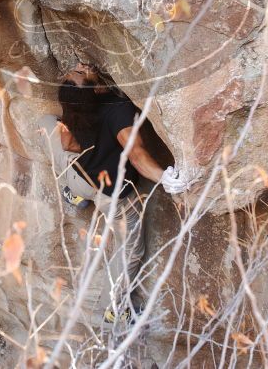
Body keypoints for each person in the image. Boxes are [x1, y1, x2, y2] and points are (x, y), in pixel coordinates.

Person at [38, 63, 188, 324]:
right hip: (115, 198)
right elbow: (138, 156)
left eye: (75, 71)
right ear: (94, 90)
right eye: (80, 73)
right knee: (130, 251)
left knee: (45, 122)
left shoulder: (74, 108)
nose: (79, 66)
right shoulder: (118, 111)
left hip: (82, 179)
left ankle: (75, 195)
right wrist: (165, 178)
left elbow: (67, 143)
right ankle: (116, 308)